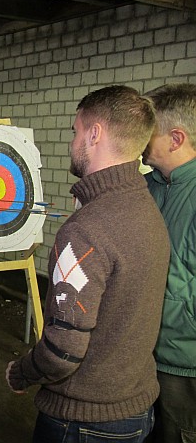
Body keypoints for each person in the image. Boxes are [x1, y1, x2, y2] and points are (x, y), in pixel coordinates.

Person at [5, 85, 170, 442]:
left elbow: (62, 352)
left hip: (84, 423)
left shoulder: (85, 230)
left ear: (94, 134)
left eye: (75, 131)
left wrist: (20, 373)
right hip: (136, 410)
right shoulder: (145, 205)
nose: (72, 142)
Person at [142, 83, 196, 443]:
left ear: (175, 138)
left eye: (148, 132)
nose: (139, 140)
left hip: (183, 363)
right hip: (142, 352)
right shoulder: (145, 186)